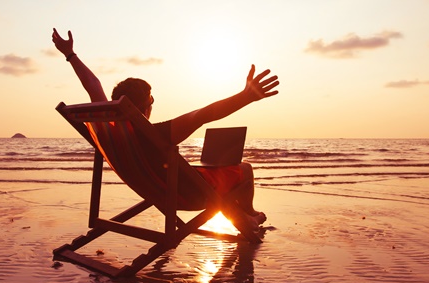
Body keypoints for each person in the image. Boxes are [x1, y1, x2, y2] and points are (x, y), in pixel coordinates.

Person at [52, 28, 279, 233]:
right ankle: (249, 214)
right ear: (144, 107)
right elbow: (203, 114)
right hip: (186, 196)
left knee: (209, 177)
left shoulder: (108, 133)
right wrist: (245, 97)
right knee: (244, 169)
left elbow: (93, 86)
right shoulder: (152, 135)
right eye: (151, 101)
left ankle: (245, 220)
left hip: (153, 189)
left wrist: (70, 55)